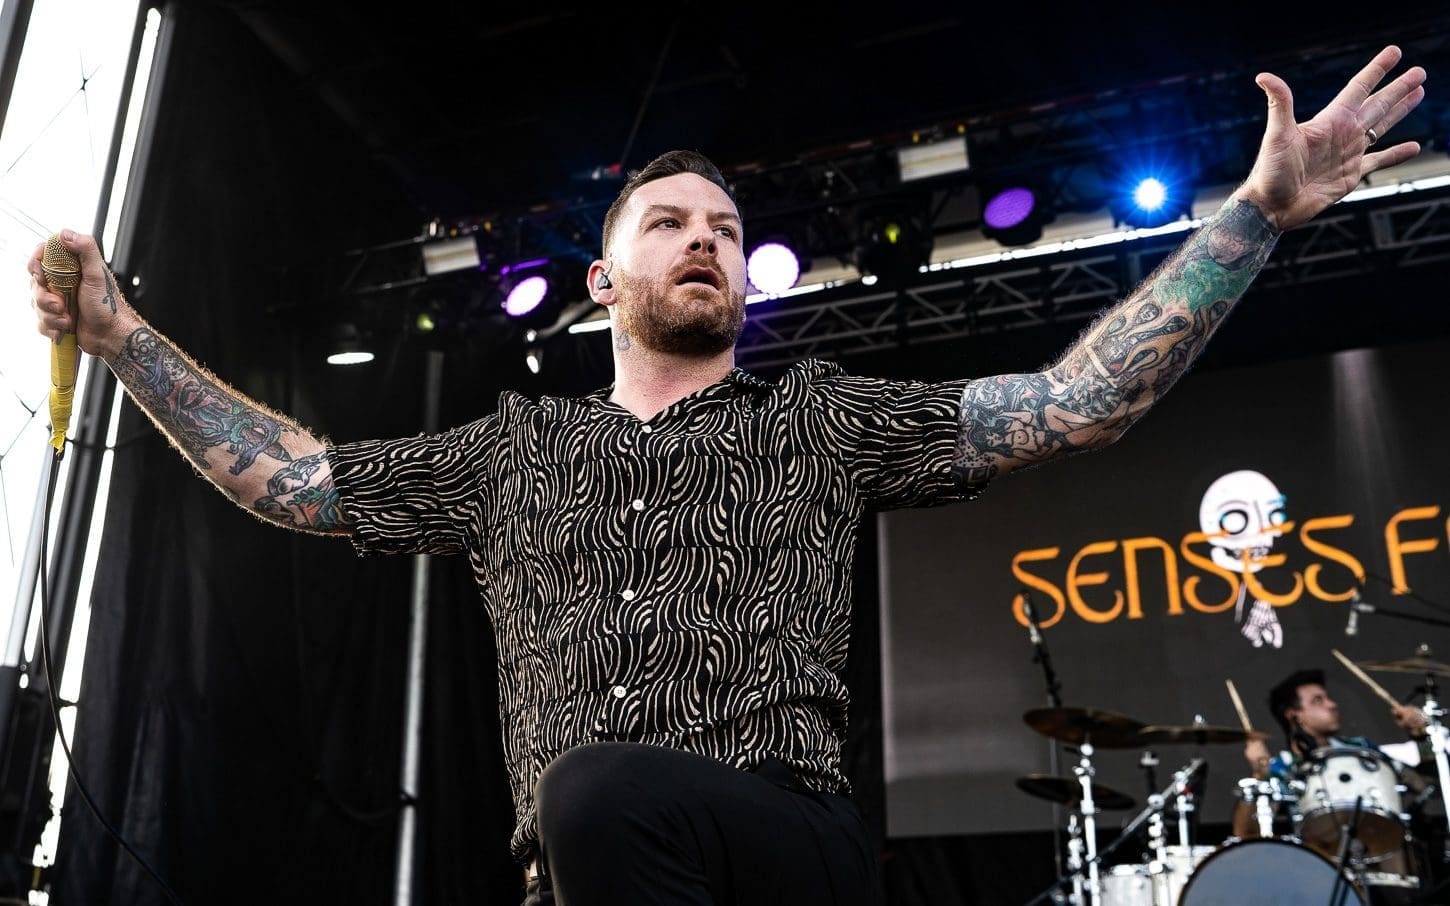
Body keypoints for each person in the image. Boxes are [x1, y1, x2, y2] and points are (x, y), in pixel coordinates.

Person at [29, 46, 1426, 906]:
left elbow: (1072, 403)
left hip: (786, 845)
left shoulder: (818, 416)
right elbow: (297, 479)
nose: (703, 239)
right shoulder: (509, 453)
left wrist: (1249, 219)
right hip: (589, 874)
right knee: (585, 808)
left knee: (591, 788)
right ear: (601, 277)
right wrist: (118, 331)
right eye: (667, 223)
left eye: (725, 226)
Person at [1231, 668, 1433, 872]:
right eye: (1318, 700)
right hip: (1318, 872)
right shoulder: (1284, 767)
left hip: (1382, 860)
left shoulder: (1361, 748)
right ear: (1294, 715)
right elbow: (1246, 833)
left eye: (1327, 698)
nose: (1332, 704)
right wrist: (1259, 775)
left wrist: (1423, 737)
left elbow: (1424, 785)